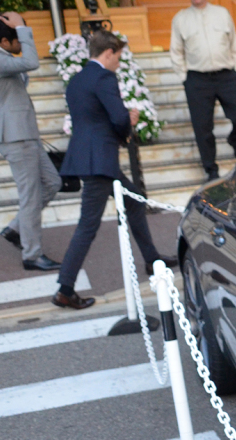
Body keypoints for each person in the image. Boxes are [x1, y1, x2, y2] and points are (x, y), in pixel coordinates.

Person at [54, 30, 176, 311]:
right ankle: (65, 288)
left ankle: (152, 260)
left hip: (89, 157)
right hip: (100, 162)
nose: (118, 64)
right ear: (108, 53)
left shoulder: (76, 79)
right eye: (118, 58)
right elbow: (117, 118)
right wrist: (129, 119)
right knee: (87, 226)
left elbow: (90, 119)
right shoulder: (104, 77)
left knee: (133, 202)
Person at [0, 11, 63, 271]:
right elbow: (32, 62)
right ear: (5, 41)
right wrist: (23, 29)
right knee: (30, 195)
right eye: (18, 40)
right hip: (15, 136)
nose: (23, 43)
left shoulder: (0, 54)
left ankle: (16, 229)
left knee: (53, 182)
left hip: (25, 133)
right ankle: (32, 255)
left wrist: (20, 29)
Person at [170, 0, 236, 180]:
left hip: (227, 75)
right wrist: (185, 78)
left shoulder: (222, 13)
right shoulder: (180, 19)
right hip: (197, 79)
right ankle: (210, 169)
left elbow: (233, 44)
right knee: (202, 127)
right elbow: (176, 52)